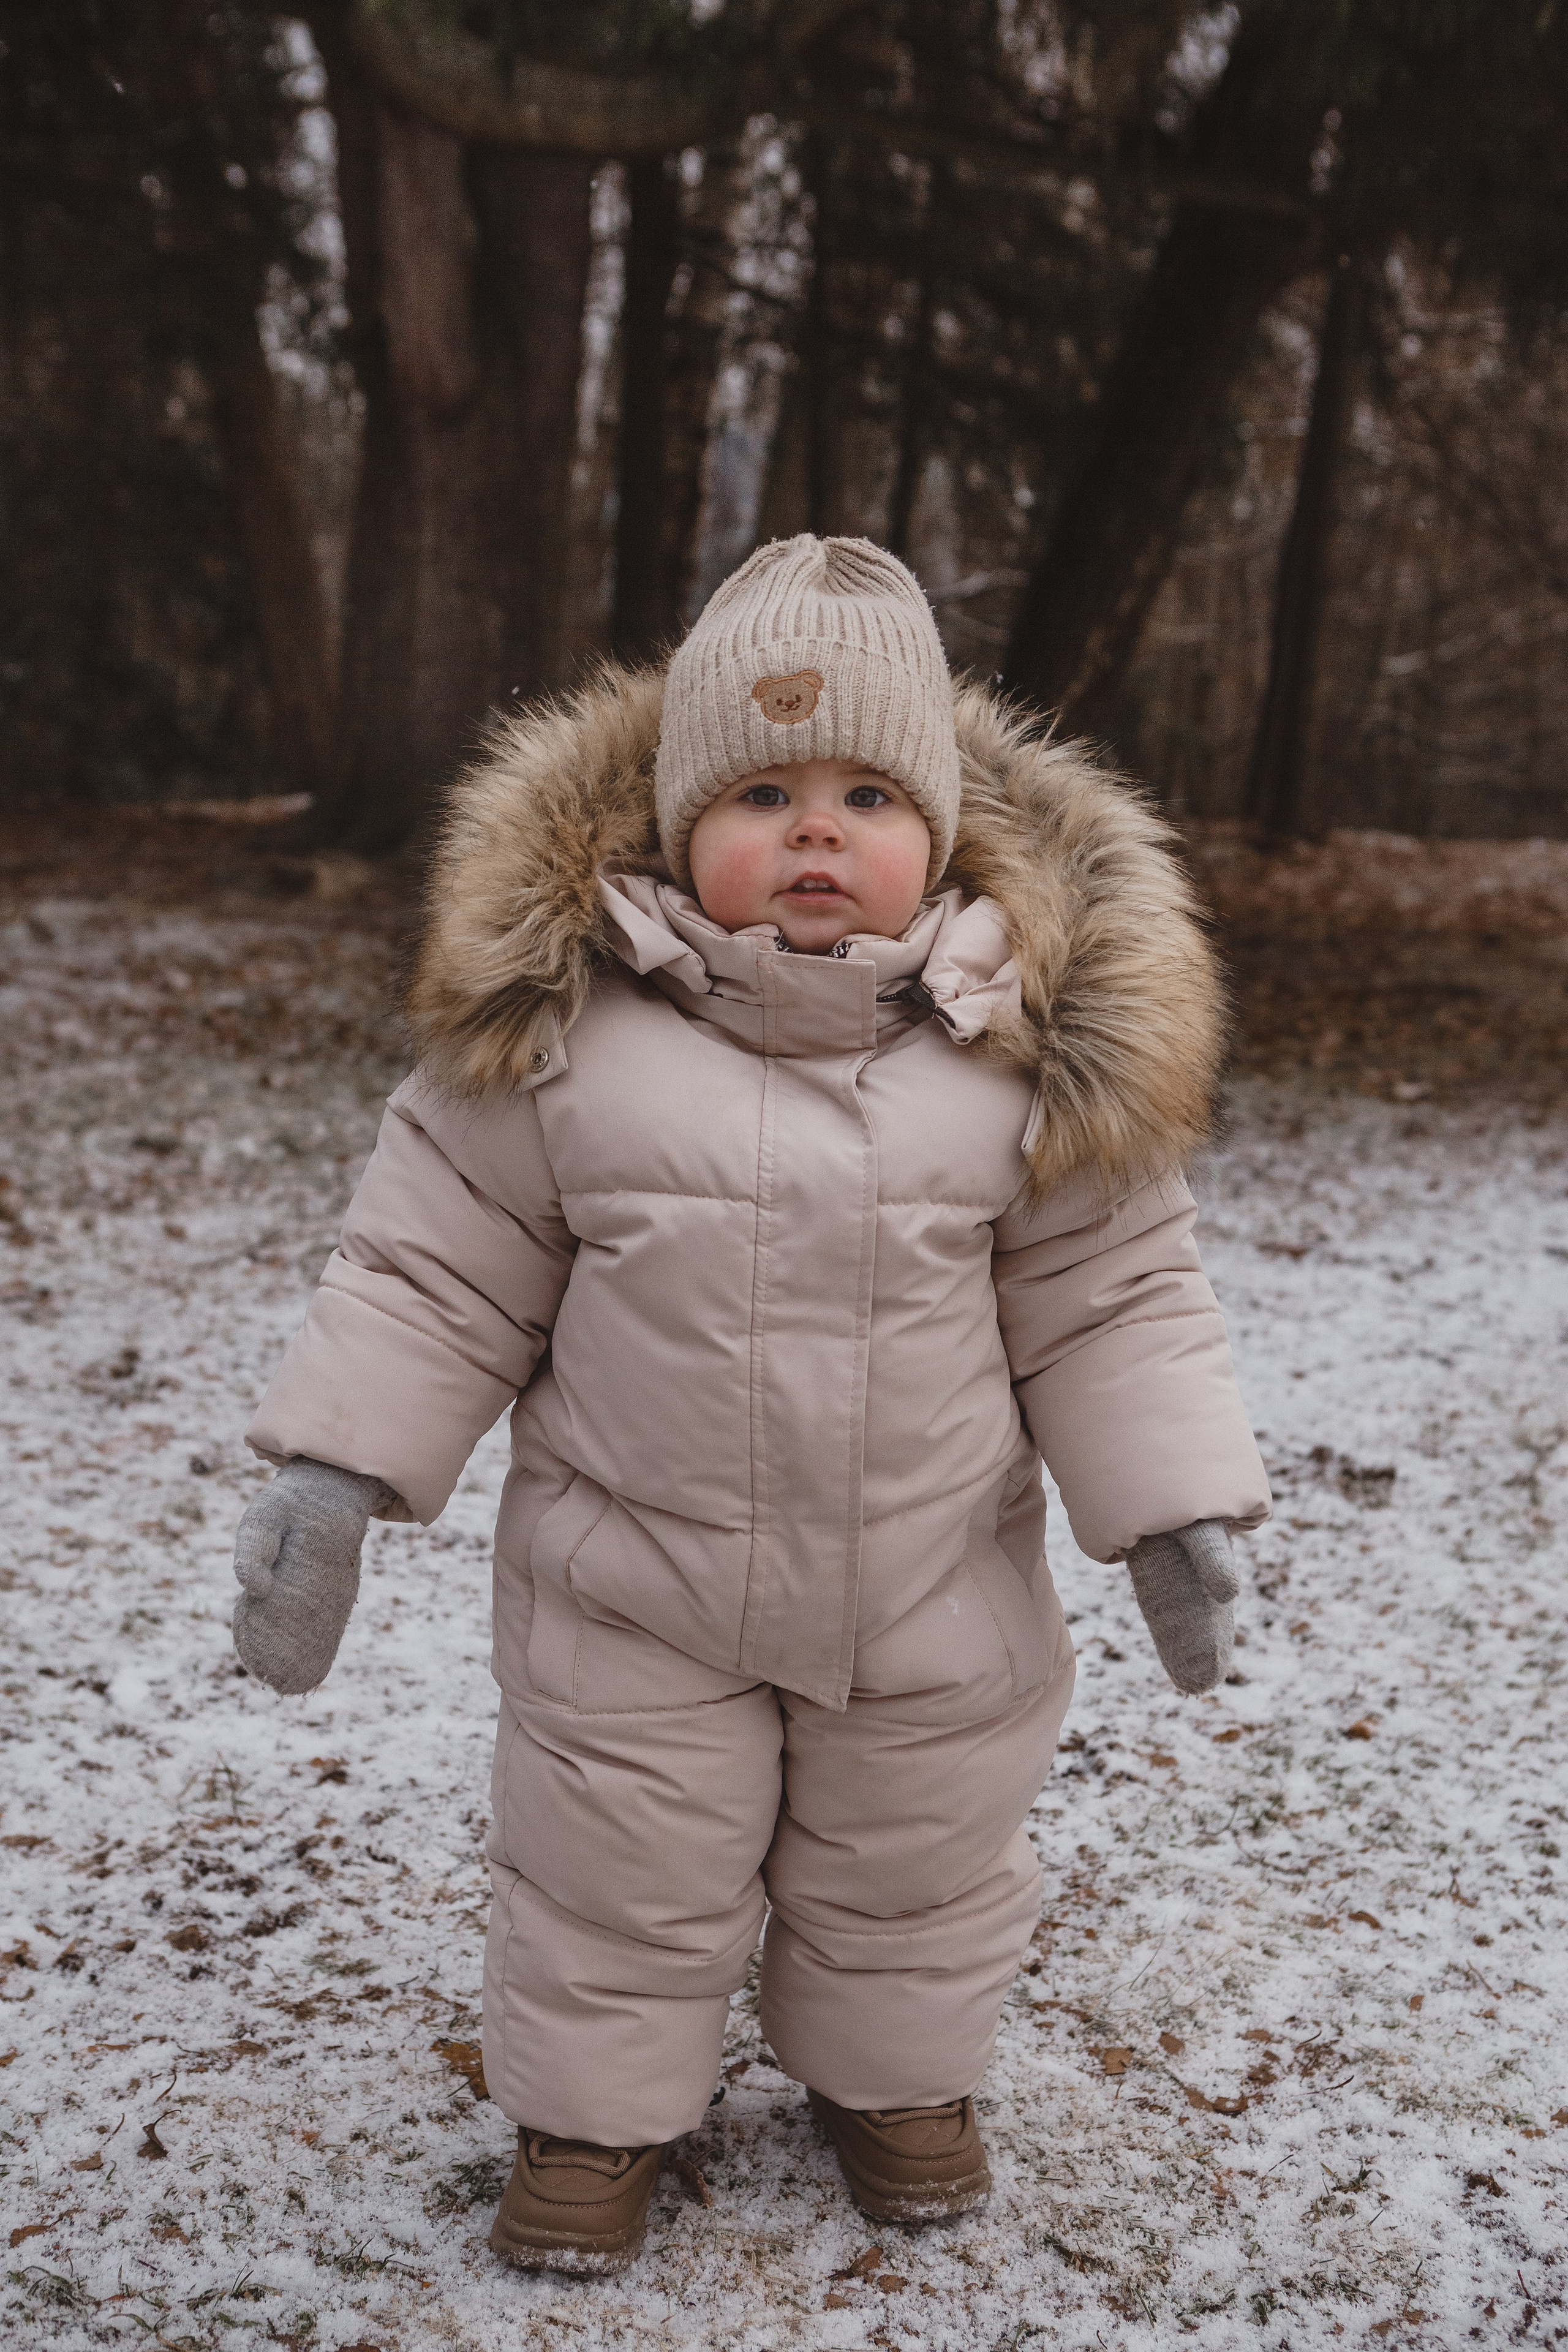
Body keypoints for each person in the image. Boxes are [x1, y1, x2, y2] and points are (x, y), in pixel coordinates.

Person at [233, 534, 1270, 2273]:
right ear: (668, 821)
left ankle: (894, 2081)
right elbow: (431, 1269)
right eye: (763, 789)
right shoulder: (565, 1042)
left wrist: (1171, 1511)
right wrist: (336, 1476)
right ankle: (591, 2116)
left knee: (915, 1862)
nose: (815, 829)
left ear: (939, 835)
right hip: (632, 1594)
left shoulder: (1023, 1054)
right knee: (616, 1864)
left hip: (930, 1585)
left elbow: (1115, 1302)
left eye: (869, 791)